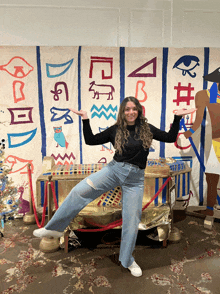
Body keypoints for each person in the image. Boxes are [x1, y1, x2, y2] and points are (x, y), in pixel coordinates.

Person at [34, 96, 186, 277]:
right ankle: (55, 226)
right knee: (79, 191)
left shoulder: (146, 129)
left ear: (138, 110)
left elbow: (169, 137)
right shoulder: (116, 130)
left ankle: (127, 259)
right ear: (122, 112)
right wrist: (85, 119)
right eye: (127, 109)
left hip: (135, 180)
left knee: (131, 219)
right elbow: (90, 140)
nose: (131, 112)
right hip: (114, 171)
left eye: (134, 109)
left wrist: (177, 118)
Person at [184, 67, 220, 217]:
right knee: (211, 176)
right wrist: (190, 132)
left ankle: (210, 209)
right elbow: (199, 119)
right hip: (218, 142)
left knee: (212, 175)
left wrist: (189, 132)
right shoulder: (205, 95)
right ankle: (210, 210)